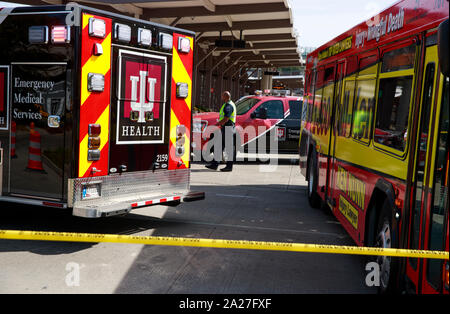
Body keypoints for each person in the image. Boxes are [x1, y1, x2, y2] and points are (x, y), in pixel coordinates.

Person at [205, 91, 236, 172]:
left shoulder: (228, 106)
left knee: (228, 148)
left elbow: (226, 118)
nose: (221, 97)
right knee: (219, 146)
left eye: (222, 96)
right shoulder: (228, 104)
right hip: (226, 128)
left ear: (226, 97)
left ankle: (229, 167)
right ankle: (215, 164)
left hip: (228, 128)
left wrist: (217, 124)